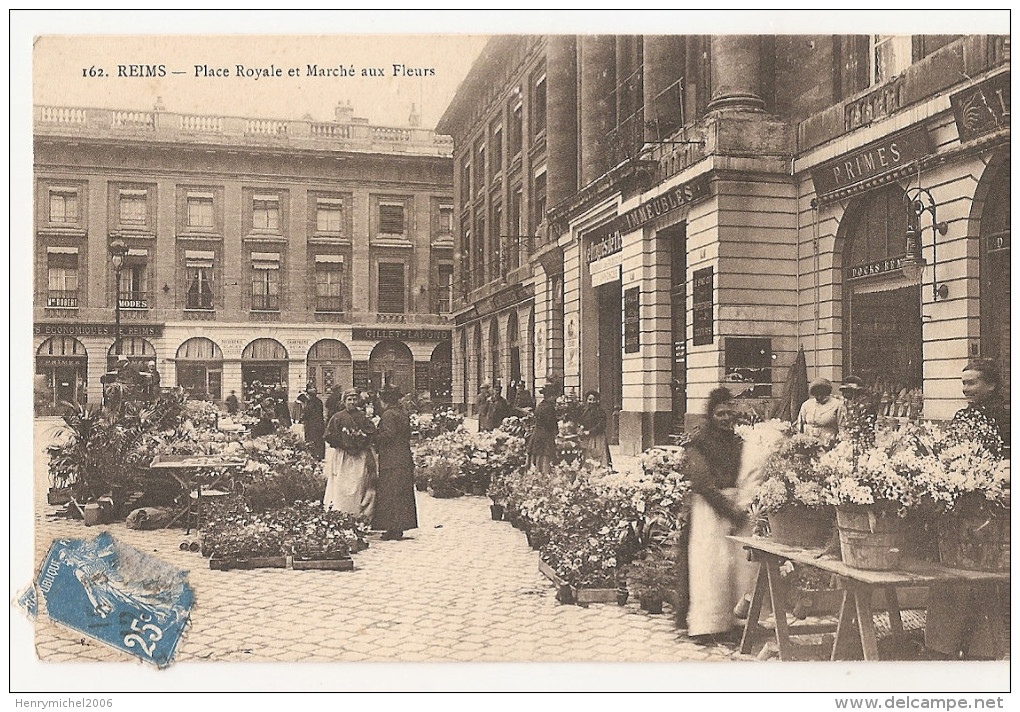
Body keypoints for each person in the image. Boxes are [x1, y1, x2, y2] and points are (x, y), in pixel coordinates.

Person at [925, 360, 1010, 660]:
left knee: (980, 583)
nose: (966, 389)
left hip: (991, 510)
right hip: (960, 508)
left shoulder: (1007, 417)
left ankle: (980, 651)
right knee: (952, 580)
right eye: (964, 383)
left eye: (972, 383)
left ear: (992, 385)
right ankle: (942, 647)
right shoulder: (962, 416)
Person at [686, 387, 757, 645]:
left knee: (736, 568)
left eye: (730, 413)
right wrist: (730, 511)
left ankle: (732, 622)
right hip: (709, 511)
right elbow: (703, 484)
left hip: (734, 507)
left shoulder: (737, 442)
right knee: (710, 567)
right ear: (710, 415)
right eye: (720, 414)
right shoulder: (699, 442)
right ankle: (706, 626)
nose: (726, 418)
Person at [323, 388, 378, 519]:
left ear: (358, 401)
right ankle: (340, 513)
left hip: (359, 457)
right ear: (344, 401)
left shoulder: (363, 417)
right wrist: (342, 444)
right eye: (349, 399)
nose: (352, 402)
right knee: (341, 484)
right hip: (343, 456)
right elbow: (329, 436)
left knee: (358, 483)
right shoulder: (337, 417)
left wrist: (361, 442)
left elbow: (371, 434)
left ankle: (358, 514)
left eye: (354, 399)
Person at [372, 386, 418, 540]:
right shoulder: (402, 413)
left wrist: (374, 437)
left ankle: (393, 528)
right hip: (403, 457)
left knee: (390, 493)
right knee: (402, 493)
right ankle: (399, 527)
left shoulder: (388, 415)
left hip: (392, 459)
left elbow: (388, 435)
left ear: (384, 399)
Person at [796, 378, 844, 446]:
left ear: (827, 392)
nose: (819, 397)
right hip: (808, 444)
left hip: (828, 444)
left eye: (822, 394)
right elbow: (800, 425)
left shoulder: (837, 405)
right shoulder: (807, 405)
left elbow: (842, 427)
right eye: (816, 394)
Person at [527, 383, 559, 473]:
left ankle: (538, 474)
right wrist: (556, 432)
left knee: (538, 457)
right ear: (551, 396)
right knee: (545, 458)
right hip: (545, 436)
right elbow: (550, 423)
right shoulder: (549, 407)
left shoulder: (540, 405)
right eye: (554, 396)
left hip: (537, 434)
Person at [577, 390, 612, 467]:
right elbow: (581, 421)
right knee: (586, 455)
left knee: (598, 455)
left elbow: (601, 425)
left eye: (594, 400)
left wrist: (590, 431)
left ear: (597, 401)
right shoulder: (584, 411)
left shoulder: (600, 412)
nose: (592, 402)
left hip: (598, 438)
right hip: (587, 438)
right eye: (590, 399)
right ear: (586, 400)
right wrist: (581, 427)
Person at [299, 384, 326, 460]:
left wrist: (302, 417)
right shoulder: (319, 401)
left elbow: (307, 413)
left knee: (311, 440)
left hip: (311, 424)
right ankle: (320, 456)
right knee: (319, 440)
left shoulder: (309, 402)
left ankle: (313, 455)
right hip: (319, 423)